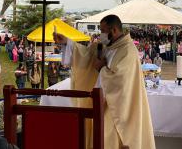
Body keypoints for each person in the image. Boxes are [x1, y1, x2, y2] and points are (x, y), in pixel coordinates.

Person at [55, 14, 155, 149]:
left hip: (116, 109)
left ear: (113, 30)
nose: (100, 34)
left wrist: (100, 68)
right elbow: (86, 54)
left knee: (109, 139)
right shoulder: (107, 46)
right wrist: (67, 42)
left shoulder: (128, 50)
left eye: (103, 31)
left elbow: (120, 80)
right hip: (101, 102)